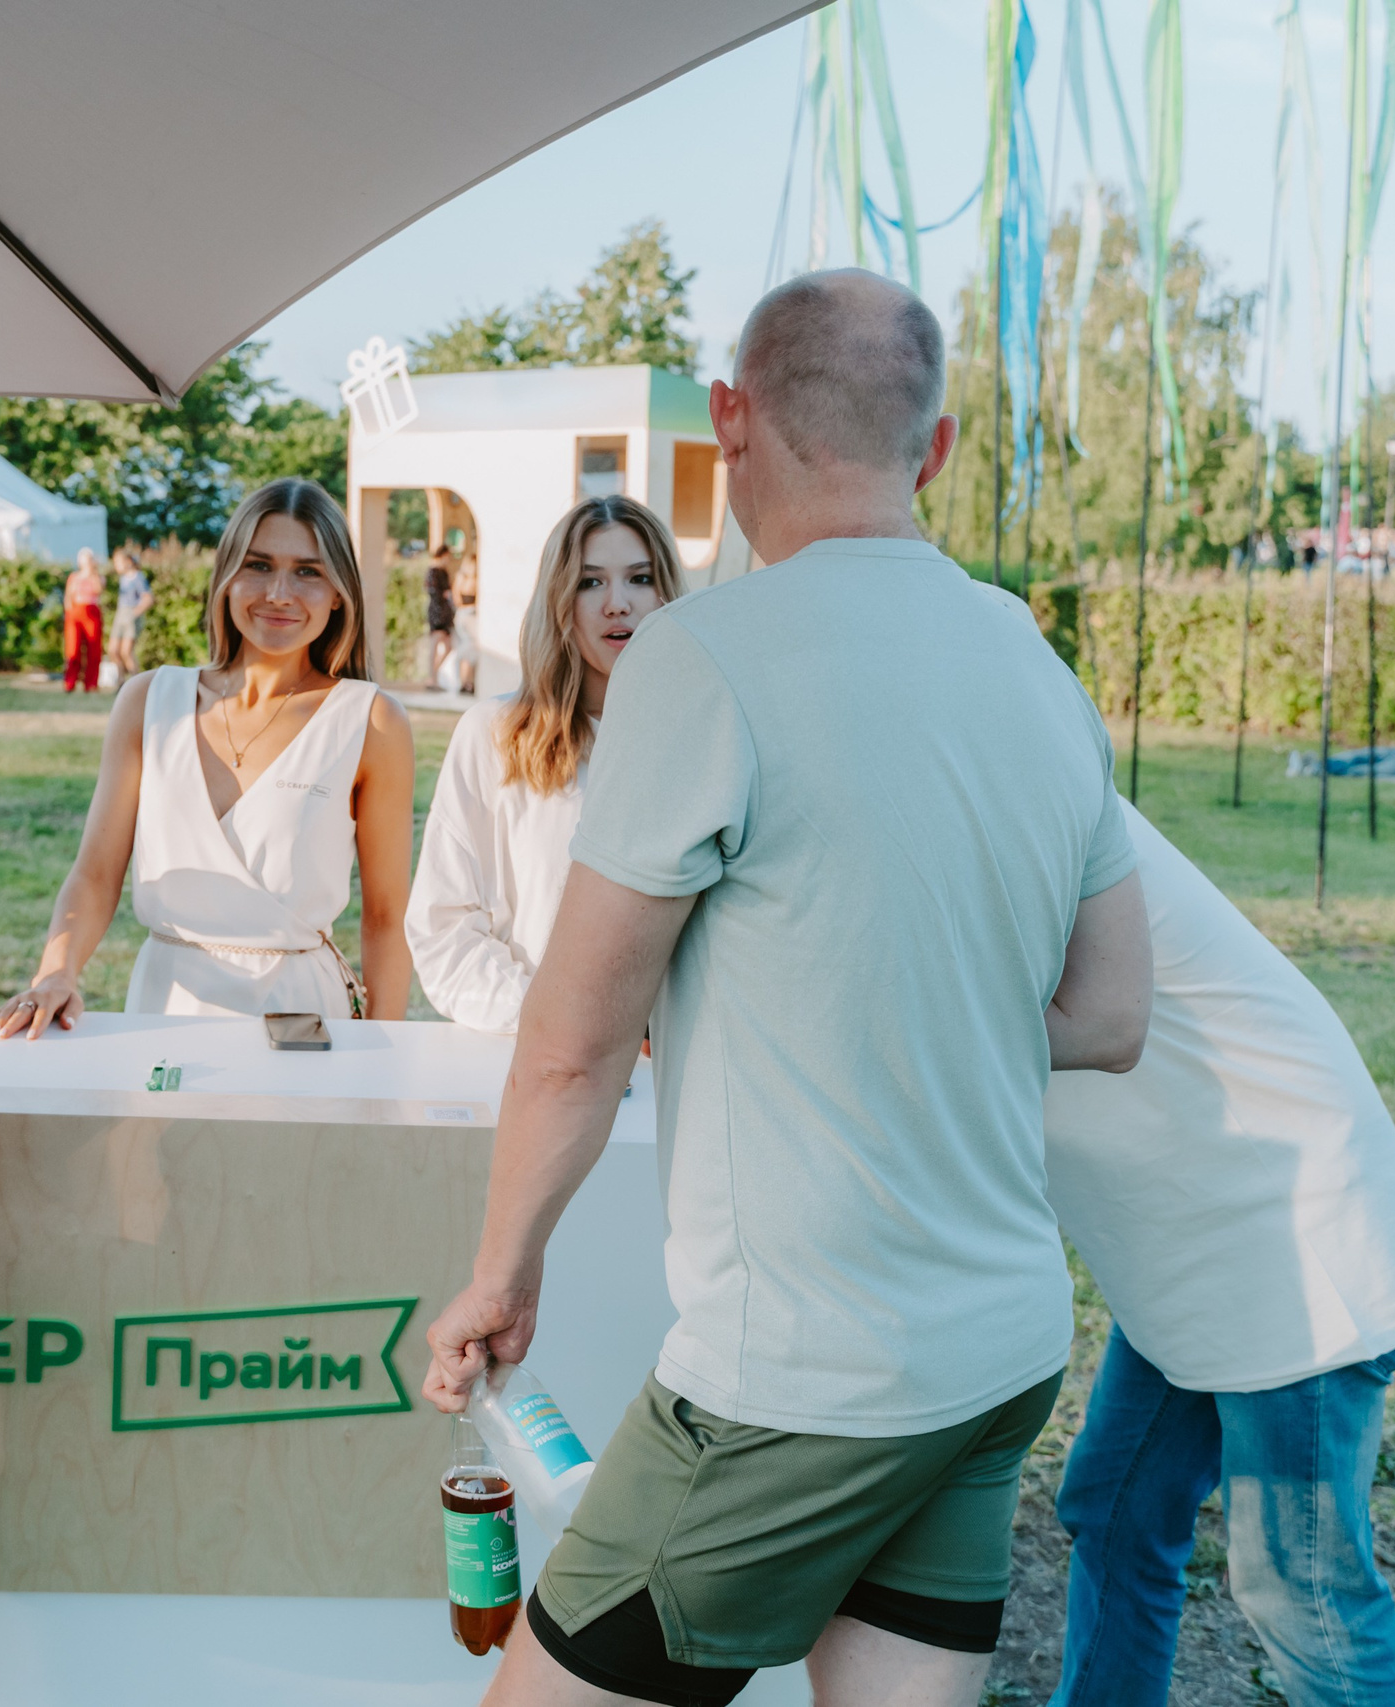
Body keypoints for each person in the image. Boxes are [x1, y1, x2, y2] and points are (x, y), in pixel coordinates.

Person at [421, 269, 1153, 1707]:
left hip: (799, 1376)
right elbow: (1112, 1013)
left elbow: (572, 1047)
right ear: (933, 448)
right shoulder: (1032, 657)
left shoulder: (699, 656)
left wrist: (504, 1269)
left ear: (730, 419)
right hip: (997, 1348)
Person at [1044, 801, 1395, 1707]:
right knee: (1115, 1512)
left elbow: (1043, 1024)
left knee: (1301, 1587)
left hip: (1286, 1238)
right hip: (1186, 1241)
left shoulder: (1025, 786)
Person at [0, 477, 415, 1035]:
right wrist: (55, 971)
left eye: (308, 571)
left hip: (300, 1018)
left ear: (339, 592)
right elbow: (94, 874)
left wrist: (380, 1056)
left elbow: (386, 917)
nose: (279, 593)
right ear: (226, 578)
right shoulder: (148, 702)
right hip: (164, 1009)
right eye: (258, 565)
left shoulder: (371, 720)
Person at [408, 495, 683, 1031]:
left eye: (640, 578)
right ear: (559, 599)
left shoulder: (709, 742)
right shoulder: (495, 737)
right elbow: (444, 932)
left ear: (667, 592)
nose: (617, 603)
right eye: (590, 582)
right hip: (538, 1062)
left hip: (682, 1080)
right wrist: (561, 1023)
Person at [62, 547, 106, 693]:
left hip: (91, 612)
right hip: (75, 612)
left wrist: (92, 573)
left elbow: (99, 590)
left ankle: (91, 684)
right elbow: (68, 596)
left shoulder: (97, 576)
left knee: (93, 649)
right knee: (72, 649)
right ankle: (70, 682)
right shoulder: (74, 577)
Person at [110, 546, 152, 676]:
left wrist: (134, 614)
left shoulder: (138, 577)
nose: (115, 566)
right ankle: (121, 681)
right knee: (113, 650)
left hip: (131, 615)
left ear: (128, 561)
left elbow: (148, 598)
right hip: (120, 614)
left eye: (118, 562)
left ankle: (135, 680)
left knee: (126, 652)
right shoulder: (123, 578)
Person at [449, 552, 481, 694]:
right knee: (471, 650)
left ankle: (464, 682)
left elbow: (456, 599)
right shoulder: (477, 580)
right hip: (471, 615)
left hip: (461, 615)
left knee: (465, 650)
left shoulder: (460, 579)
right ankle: (468, 683)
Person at [427, 543, 458, 687]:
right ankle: (431, 677)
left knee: (448, 646)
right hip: (437, 613)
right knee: (435, 644)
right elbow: (434, 593)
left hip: (446, 613)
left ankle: (433, 674)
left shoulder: (444, 572)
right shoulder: (433, 572)